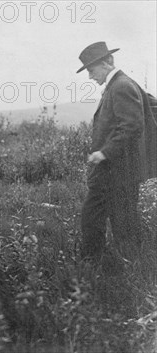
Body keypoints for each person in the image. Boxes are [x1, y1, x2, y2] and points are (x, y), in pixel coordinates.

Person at [77, 41, 146, 263]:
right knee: (117, 219)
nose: (89, 76)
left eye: (91, 69)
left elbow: (132, 126)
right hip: (114, 170)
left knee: (112, 219)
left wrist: (104, 152)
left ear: (107, 62)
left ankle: (98, 266)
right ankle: (112, 264)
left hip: (117, 169)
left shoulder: (121, 85)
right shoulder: (119, 84)